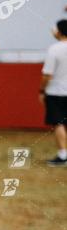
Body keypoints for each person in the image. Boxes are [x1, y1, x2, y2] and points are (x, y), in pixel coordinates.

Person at [40, 19, 67, 166]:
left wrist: (41, 90)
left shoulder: (54, 49)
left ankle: (63, 155)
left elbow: (47, 75)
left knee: (58, 123)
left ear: (58, 31)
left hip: (56, 92)